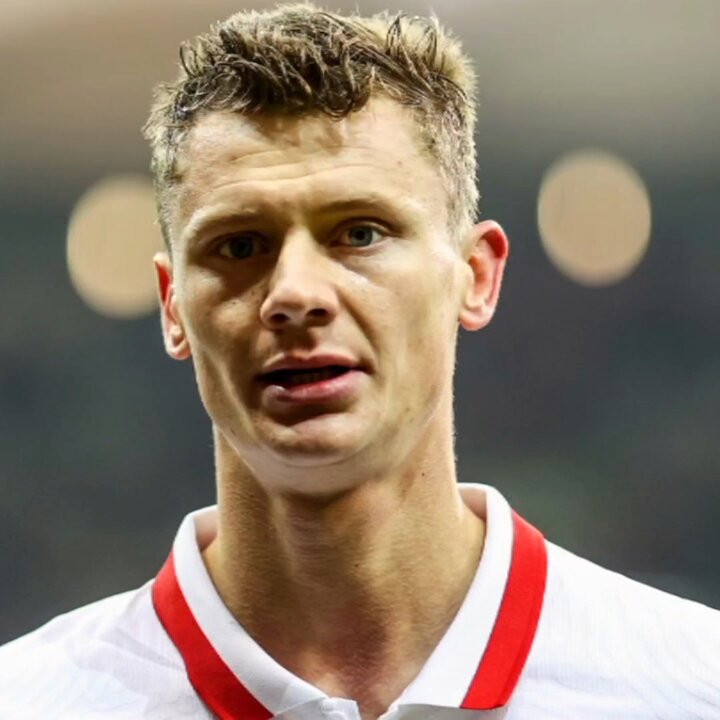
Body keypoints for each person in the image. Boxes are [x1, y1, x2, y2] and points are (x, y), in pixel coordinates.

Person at [1, 4, 719, 719]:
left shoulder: (690, 685)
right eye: (240, 245)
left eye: (361, 233)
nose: (295, 294)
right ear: (172, 306)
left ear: (476, 276)